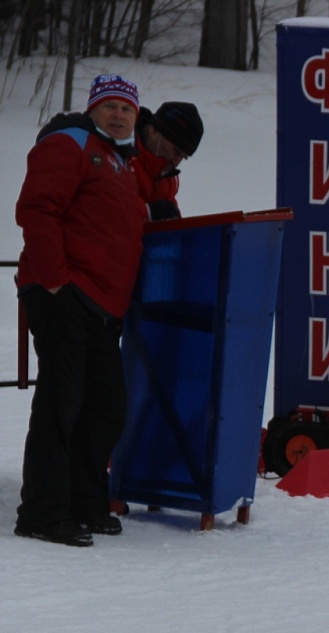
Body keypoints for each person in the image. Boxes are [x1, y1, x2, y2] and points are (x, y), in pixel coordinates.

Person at [12, 73, 147, 546]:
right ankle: (43, 512)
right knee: (61, 403)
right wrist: (54, 281)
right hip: (63, 293)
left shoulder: (121, 162)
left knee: (106, 406)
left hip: (101, 305)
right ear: (92, 110)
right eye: (109, 106)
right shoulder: (70, 143)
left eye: (126, 108)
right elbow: (37, 209)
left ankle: (85, 501)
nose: (117, 114)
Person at [132, 101, 204, 220]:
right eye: (176, 151)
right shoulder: (117, 155)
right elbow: (104, 207)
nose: (176, 161)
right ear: (153, 131)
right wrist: (148, 212)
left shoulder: (167, 177)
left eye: (182, 157)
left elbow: (176, 229)